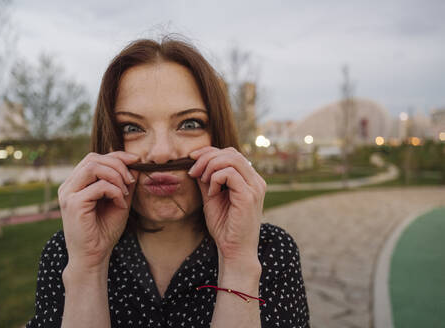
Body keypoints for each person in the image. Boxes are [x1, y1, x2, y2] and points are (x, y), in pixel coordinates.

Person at [26, 36, 309, 328]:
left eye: (189, 124)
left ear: (218, 136)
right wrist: (88, 269)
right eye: (132, 127)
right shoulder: (67, 252)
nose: (160, 154)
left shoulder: (271, 251)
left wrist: (237, 262)